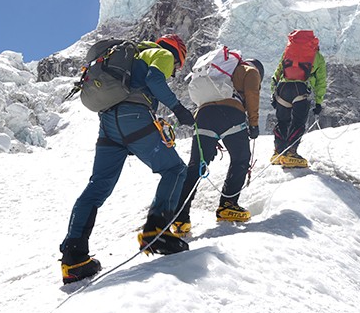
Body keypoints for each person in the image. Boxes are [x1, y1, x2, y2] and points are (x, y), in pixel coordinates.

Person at [59, 33, 196, 284]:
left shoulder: (131, 55)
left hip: (108, 123)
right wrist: (178, 109)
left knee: (97, 186)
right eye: (177, 67)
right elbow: (155, 79)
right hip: (134, 117)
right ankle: (157, 231)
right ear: (178, 54)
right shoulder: (162, 54)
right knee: (175, 170)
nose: (174, 70)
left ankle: (74, 259)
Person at [173, 55, 264, 235]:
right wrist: (253, 124)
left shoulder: (219, 72)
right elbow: (252, 94)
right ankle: (228, 206)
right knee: (240, 158)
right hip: (230, 113)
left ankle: (180, 217)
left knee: (196, 166)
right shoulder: (250, 70)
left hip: (204, 115)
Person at [270, 30, 327, 169]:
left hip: (283, 88)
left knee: (282, 121)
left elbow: (278, 72)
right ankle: (291, 153)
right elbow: (321, 81)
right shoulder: (317, 56)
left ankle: (278, 153)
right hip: (301, 89)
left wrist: (274, 92)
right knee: (298, 123)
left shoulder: (288, 52)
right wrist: (319, 102)